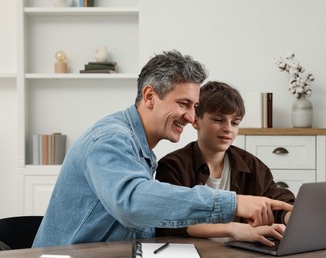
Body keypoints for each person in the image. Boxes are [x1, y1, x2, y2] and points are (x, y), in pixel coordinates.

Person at [33, 51, 292, 247]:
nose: (191, 117)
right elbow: (133, 201)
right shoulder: (111, 139)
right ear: (149, 96)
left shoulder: (141, 148)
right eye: (183, 104)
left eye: (194, 107)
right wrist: (233, 204)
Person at [155, 81, 295, 246]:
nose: (228, 129)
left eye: (235, 123)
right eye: (218, 120)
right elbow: (169, 223)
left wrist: (291, 216)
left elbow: (277, 201)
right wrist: (232, 228)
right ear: (195, 120)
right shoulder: (173, 165)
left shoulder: (250, 164)